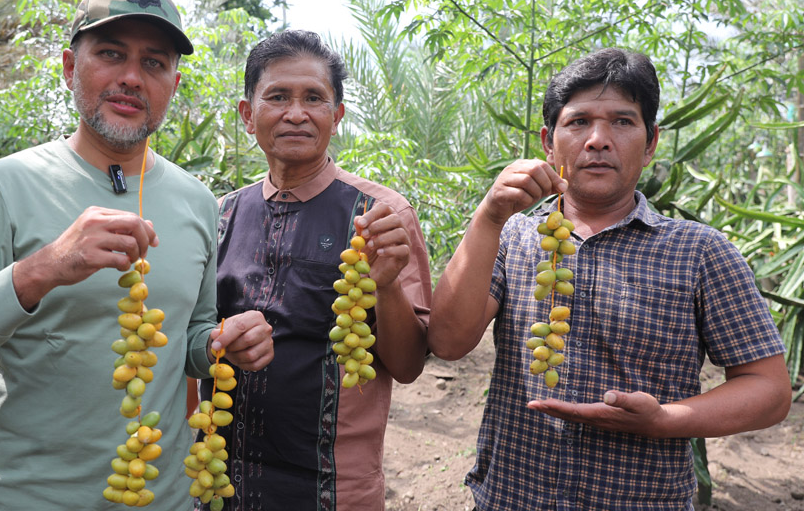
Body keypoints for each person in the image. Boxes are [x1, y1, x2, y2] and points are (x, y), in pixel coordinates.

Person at [0, 0, 273, 511]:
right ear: (71, 68)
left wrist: (218, 347)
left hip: (163, 501)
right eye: (111, 54)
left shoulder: (197, 201)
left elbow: (191, 338)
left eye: (154, 63)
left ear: (173, 85)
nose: (132, 78)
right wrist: (40, 270)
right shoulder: (6, 186)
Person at [428, 47, 791, 510]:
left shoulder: (700, 252)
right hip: (510, 497)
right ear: (548, 140)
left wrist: (662, 420)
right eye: (578, 122)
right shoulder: (511, 237)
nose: (598, 139)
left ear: (651, 140)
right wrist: (487, 217)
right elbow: (448, 341)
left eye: (622, 121)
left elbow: (770, 389)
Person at [196, 30, 433, 510]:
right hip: (219, 482)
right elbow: (189, 345)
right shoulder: (217, 216)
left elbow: (408, 366)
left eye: (314, 99)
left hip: (332, 490)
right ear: (248, 115)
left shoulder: (381, 216)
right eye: (278, 97)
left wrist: (386, 286)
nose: (296, 113)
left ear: (336, 116)